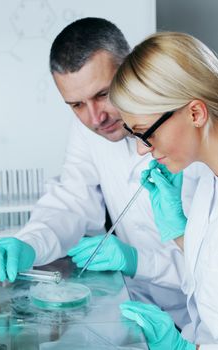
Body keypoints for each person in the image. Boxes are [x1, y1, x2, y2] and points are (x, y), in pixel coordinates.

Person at [0, 19, 198, 329]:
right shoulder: (90, 130)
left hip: (200, 315)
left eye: (103, 94)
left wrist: (137, 259)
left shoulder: (185, 132)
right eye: (76, 104)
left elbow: (207, 260)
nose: (95, 118)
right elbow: (72, 200)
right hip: (140, 307)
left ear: (131, 69)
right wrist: (28, 244)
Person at [110, 31, 218, 349]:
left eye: (145, 134)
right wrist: (182, 234)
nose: (143, 151)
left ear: (195, 113)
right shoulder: (207, 184)